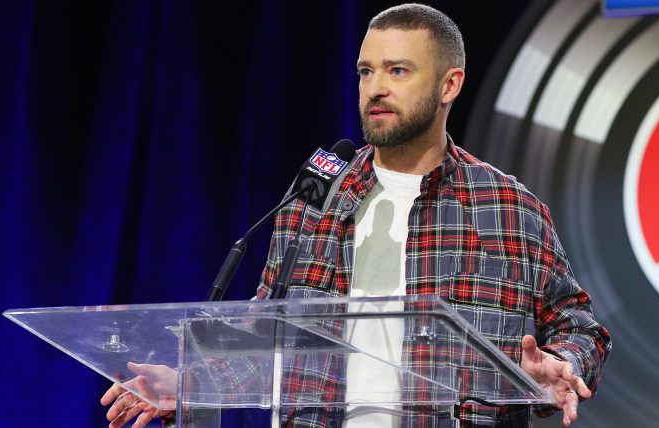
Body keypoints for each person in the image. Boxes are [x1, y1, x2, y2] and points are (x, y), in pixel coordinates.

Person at [102, 4, 611, 428]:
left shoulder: (508, 208)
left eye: (398, 70)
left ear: (449, 85)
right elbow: (268, 331)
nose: (376, 88)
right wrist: (189, 382)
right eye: (366, 71)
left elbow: (580, 325)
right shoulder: (314, 198)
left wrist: (561, 364)